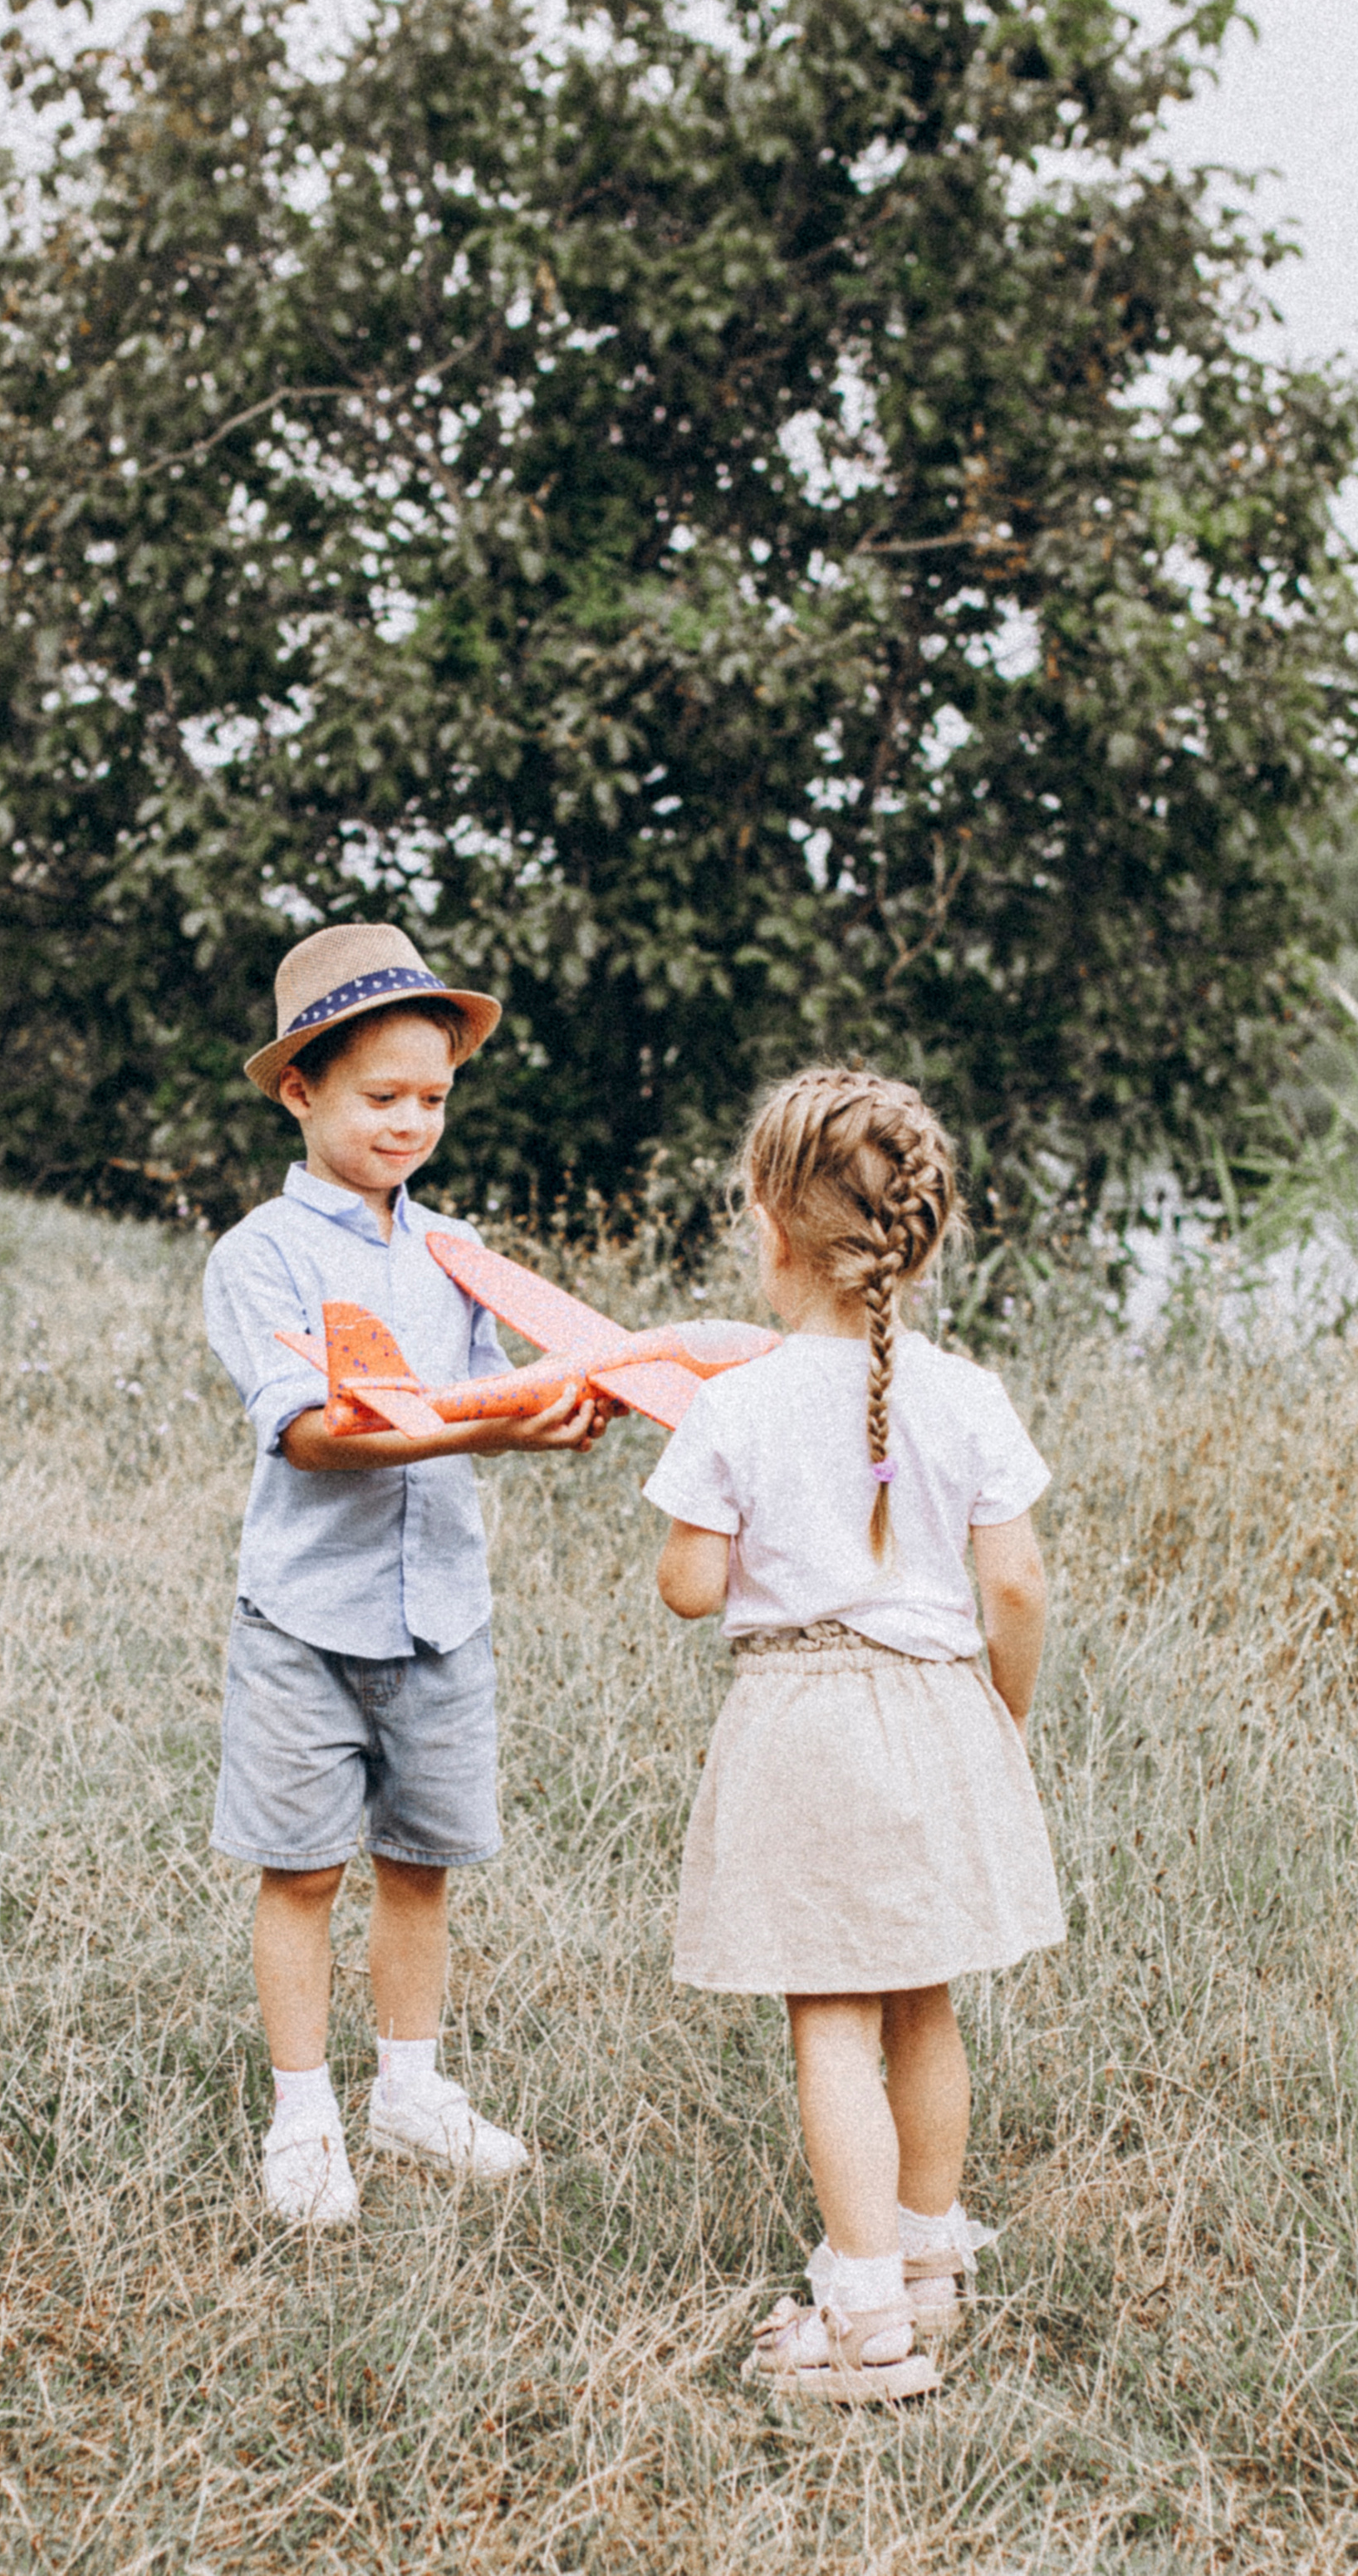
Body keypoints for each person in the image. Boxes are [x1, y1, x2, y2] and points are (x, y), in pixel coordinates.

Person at [648, 1065, 1065, 2401]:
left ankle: (865, 2322)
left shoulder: (740, 1400)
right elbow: (1017, 1583)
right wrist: (1005, 1705)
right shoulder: (970, 1393)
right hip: (945, 1709)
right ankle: (932, 2265)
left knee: (831, 2012)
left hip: (810, 1721)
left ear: (773, 1227)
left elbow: (692, 1586)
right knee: (924, 1994)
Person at [203, 923, 604, 2226]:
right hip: (306, 1619)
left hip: (442, 1616)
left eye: (434, 1098)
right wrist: (497, 1419)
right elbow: (321, 1435)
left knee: (422, 1861)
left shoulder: (457, 1252)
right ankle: (305, 2113)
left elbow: (495, 1400)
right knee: (303, 1869)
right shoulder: (262, 1256)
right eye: (381, 1097)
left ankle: (412, 2091)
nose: (411, 1122)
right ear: (299, 1090)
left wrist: (556, 1408)